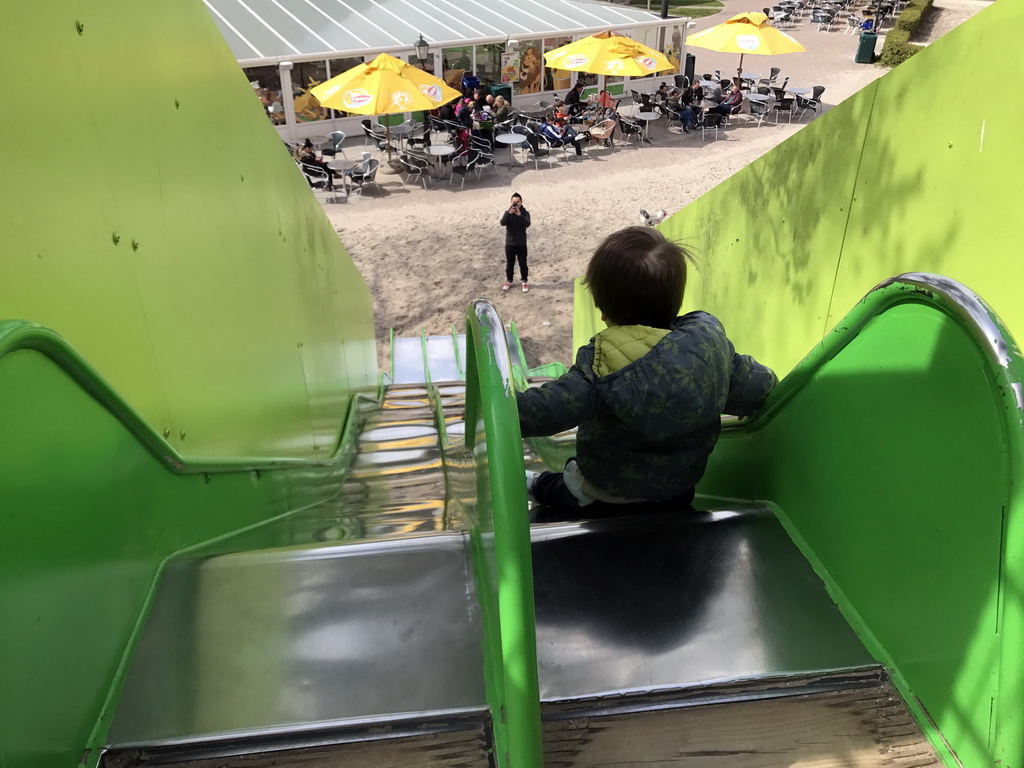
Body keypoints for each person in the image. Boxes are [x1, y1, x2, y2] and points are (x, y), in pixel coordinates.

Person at [518, 226, 777, 517]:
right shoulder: (709, 347)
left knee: (566, 486)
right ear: (675, 300)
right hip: (678, 489)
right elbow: (756, 385)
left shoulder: (601, 365)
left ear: (603, 311)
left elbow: (547, 410)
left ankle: (536, 484)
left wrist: (502, 407)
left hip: (607, 493)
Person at [500, 193, 531, 293]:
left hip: (521, 243)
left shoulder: (525, 213)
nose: (516, 204)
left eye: (518, 202)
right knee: (510, 264)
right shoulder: (508, 213)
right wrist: (509, 213)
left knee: (523, 264)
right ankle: (509, 280)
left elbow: (527, 224)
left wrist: (519, 215)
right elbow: (502, 222)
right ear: (511, 202)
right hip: (510, 244)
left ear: (521, 202)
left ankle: (524, 281)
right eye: (514, 202)